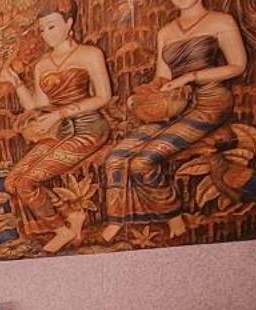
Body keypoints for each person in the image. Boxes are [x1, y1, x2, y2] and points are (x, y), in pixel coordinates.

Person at [98, 0, 248, 242]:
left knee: (142, 162)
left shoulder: (221, 21)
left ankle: (173, 217)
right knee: (116, 157)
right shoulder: (166, 31)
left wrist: (191, 77)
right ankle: (118, 219)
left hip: (209, 102)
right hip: (174, 105)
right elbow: (163, 77)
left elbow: (238, 66)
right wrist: (143, 95)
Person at [0, 6, 111, 255]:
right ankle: (72, 215)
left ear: (69, 25)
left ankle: (62, 230)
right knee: (12, 182)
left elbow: (103, 97)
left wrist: (59, 114)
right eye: (42, 30)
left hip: (89, 128)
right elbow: (38, 107)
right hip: (58, 132)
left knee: (27, 182)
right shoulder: (42, 65)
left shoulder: (90, 54)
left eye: (51, 26)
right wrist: (17, 83)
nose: (46, 34)